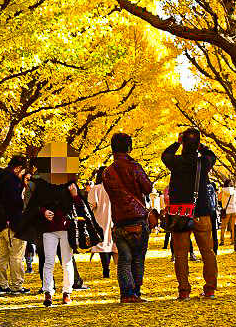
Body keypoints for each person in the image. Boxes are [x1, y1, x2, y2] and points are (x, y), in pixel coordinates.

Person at [162, 128, 218, 299]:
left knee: (180, 252)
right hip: (201, 211)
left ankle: (184, 290)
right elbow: (211, 154)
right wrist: (199, 145)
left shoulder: (176, 162)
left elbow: (165, 155)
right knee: (207, 251)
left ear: (183, 143)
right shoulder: (204, 162)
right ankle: (210, 289)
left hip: (180, 213)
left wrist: (177, 143)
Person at [16, 175, 87, 307]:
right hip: (48, 229)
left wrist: (75, 195)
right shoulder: (43, 185)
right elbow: (35, 205)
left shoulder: (69, 183)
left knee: (67, 262)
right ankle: (48, 292)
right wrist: (43, 212)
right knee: (49, 262)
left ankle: (67, 292)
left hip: (66, 228)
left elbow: (80, 206)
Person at [103, 132, 153, 304]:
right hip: (138, 219)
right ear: (129, 148)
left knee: (124, 258)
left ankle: (126, 293)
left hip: (119, 221)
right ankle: (136, 292)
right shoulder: (135, 167)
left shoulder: (108, 172)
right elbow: (147, 188)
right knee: (138, 258)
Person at [0, 155, 30, 296]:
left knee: (3, 256)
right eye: (22, 171)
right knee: (16, 256)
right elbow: (15, 203)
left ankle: (1, 284)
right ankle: (16, 285)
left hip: (0, 223)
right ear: (18, 168)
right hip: (13, 223)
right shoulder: (13, 181)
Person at [88, 166, 115, 278]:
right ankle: (108, 268)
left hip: (100, 218)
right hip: (114, 218)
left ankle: (106, 269)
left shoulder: (97, 188)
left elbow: (91, 204)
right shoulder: (114, 187)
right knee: (110, 243)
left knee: (102, 244)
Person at [218, 178, 236, 246]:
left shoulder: (222, 191)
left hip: (226, 211)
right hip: (234, 210)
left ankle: (222, 241)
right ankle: (234, 241)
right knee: (234, 227)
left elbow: (218, 198)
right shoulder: (234, 191)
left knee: (223, 227)